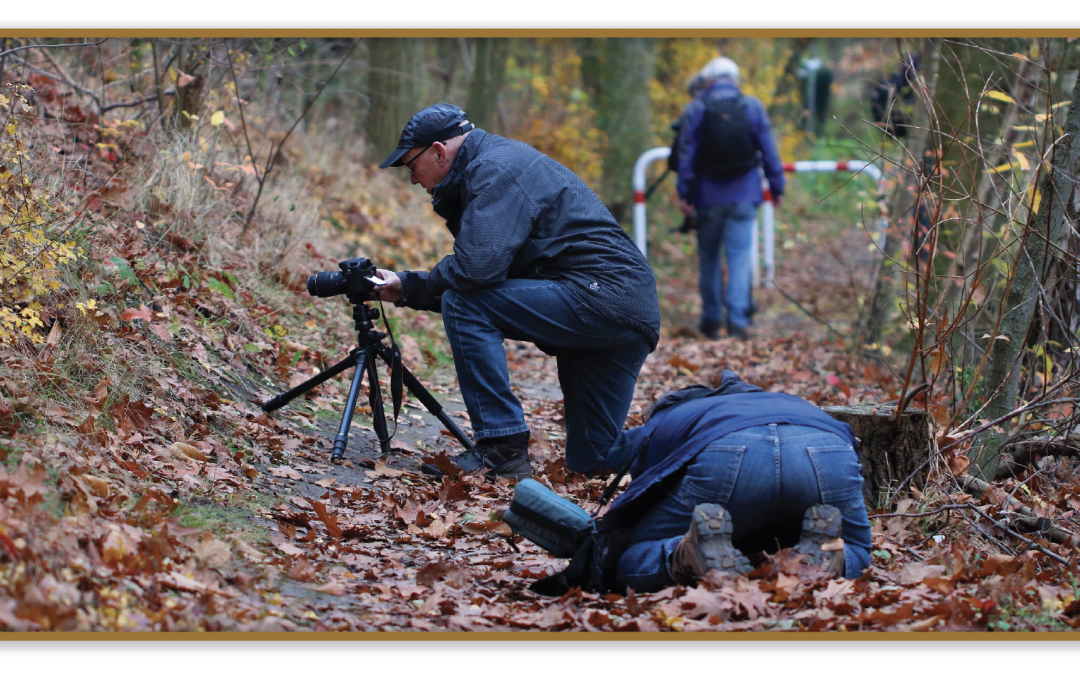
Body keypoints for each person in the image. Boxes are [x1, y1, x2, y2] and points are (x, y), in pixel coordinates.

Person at [371, 103, 661, 480]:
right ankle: (694, 443)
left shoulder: (496, 169)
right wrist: (407, 288)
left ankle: (501, 447)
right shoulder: (498, 165)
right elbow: (489, 271)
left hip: (599, 296)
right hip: (628, 308)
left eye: (411, 167)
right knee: (596, 458)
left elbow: (476, 271)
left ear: (439, 152)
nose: (412, 179)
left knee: (465, 304)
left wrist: (413, 284)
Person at [525, 371, 872, 595]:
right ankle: (831, 558)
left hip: (726, 453)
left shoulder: (666, 420)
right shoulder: (784, 400)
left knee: (628, 557)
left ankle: (684, 555)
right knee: (859, 548)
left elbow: (620, 469)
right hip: (827, 449)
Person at [676, 57, 785, 341]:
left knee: (709, 257)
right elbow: (769, 150)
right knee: (739, 257)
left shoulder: (697, 107)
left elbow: (687, 156)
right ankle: (737, 321)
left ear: (708, 81)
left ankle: (711, 320)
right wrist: (777, 187)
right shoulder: (752, 106)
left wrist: (684, 194)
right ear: (735, 80)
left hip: (707, 197)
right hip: (745, 195)